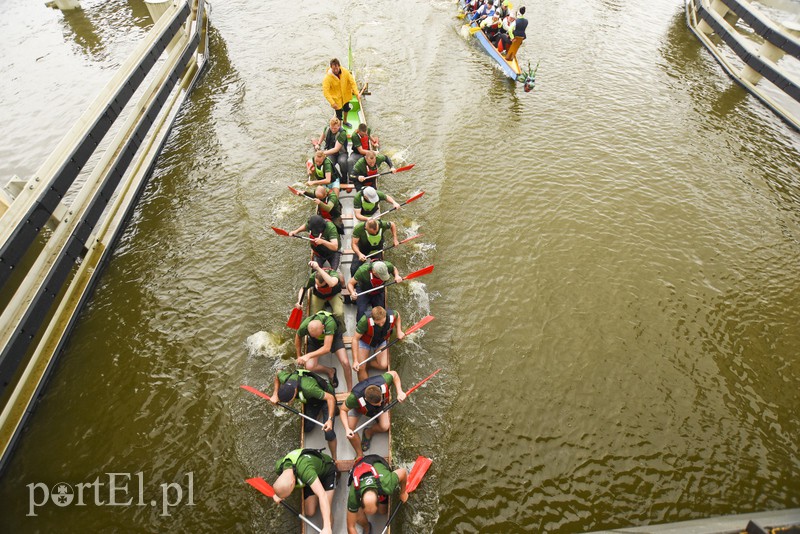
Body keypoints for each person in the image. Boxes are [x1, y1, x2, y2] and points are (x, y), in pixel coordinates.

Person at [270, 369, 338, 460]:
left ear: (294, 393)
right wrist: (275, 394)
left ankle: (334, 458)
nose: (290, 403)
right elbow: (278, 373)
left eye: (290, 400)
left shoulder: (309, 389)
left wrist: (329, 420)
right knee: (307, 428)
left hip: (326, 398)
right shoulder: (285, 378)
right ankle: (320, 412)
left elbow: (330, 398)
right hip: (312, 401)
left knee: (329, 433)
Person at [339, 370, 406, 454]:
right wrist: (347, 429)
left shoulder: (384, 380)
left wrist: (399, 392)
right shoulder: (354, 398)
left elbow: (394, 374)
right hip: (359, 408)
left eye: (379, 401)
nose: (378, 404)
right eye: (376, 403)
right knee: (350, 431)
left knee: (385, 426)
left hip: (381, 407)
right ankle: (359, 454)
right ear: (366, 399)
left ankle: (368, 432)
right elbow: (343, 410)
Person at [272, 448, 336, 534]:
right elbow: (281, 480)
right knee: (310, 512)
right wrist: (278, 495)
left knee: (326, 514)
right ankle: (315, 487)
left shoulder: (305, 470)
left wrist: (327, 527)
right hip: (311, 476)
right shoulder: (279, 466)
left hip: (327, 472)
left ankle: (329, 527)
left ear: (292, 483)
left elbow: (322, 495)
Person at [295, 309, 354, 392]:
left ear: (323, 327)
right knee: (309, 367)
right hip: (315, 343)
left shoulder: (330, 323)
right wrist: (298, 355)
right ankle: (330, 371)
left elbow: (326, 348)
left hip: (333, 338)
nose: (316, 336)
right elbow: (298, 336)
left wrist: (308, 355)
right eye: (313, 335)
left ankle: (350, 390)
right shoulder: (305, 325)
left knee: (346, 363)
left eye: (317, 335)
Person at [346, 455, 408, 534]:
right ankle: (366, 527)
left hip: (377, 461)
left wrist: (403, 493)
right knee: (356, 514)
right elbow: (350, 526)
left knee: (382, 511)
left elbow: (403, 472)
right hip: (360, 467)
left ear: (379, 497)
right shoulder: (353, 493)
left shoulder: (386, 484)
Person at [352, 306, 404, 381]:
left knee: (383, 365)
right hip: (365, 342)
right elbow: (355, 339)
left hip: (380, 341)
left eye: (383, 322)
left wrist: (399, 331)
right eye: (378, 323)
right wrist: (355, 360)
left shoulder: (391, 315)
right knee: (360, 368)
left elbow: (398, 315)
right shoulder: (364, 321)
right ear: (373, 319)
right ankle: (366, 387)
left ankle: (368, 364)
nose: (381, 325)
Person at [296, 260, 344, 332]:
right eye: (317, 285)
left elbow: (331, 283)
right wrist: (299, 301)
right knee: (314, 316)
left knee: (339, 314)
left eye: (320, 286)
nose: (318, 286)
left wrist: (317, 267)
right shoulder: (313, 277)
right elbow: (303, 289)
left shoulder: (333, 274)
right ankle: (318, 331)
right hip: (319, 296)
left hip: (333, 295)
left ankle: (340, 331)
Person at [322, 58, 360, 128]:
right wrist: (332, 103)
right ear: (331, 68)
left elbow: (352, 82)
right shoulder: (327, 78)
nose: (336, 70)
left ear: (339, 66)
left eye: (337, 68)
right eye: (334, 69)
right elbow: (325, 92)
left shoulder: (345, 72)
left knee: (346, 109)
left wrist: (357, 93)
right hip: (336, 99)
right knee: (339, 115)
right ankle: (339, 126)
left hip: (345, 96)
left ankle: (345, 121)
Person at [314, 117, 349, 182]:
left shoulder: (342, 133)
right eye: (332, 128)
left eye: (335, 128)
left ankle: (344, 178)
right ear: (329, 125)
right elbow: (323, 135)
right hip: (330, 152)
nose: (333, 130)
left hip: (341, 153)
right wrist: (318, 144)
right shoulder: (327, 128)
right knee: (328, 163)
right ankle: (334, 177)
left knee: (342, 162)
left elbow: (336, 149)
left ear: (339, 126)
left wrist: (323, 153)